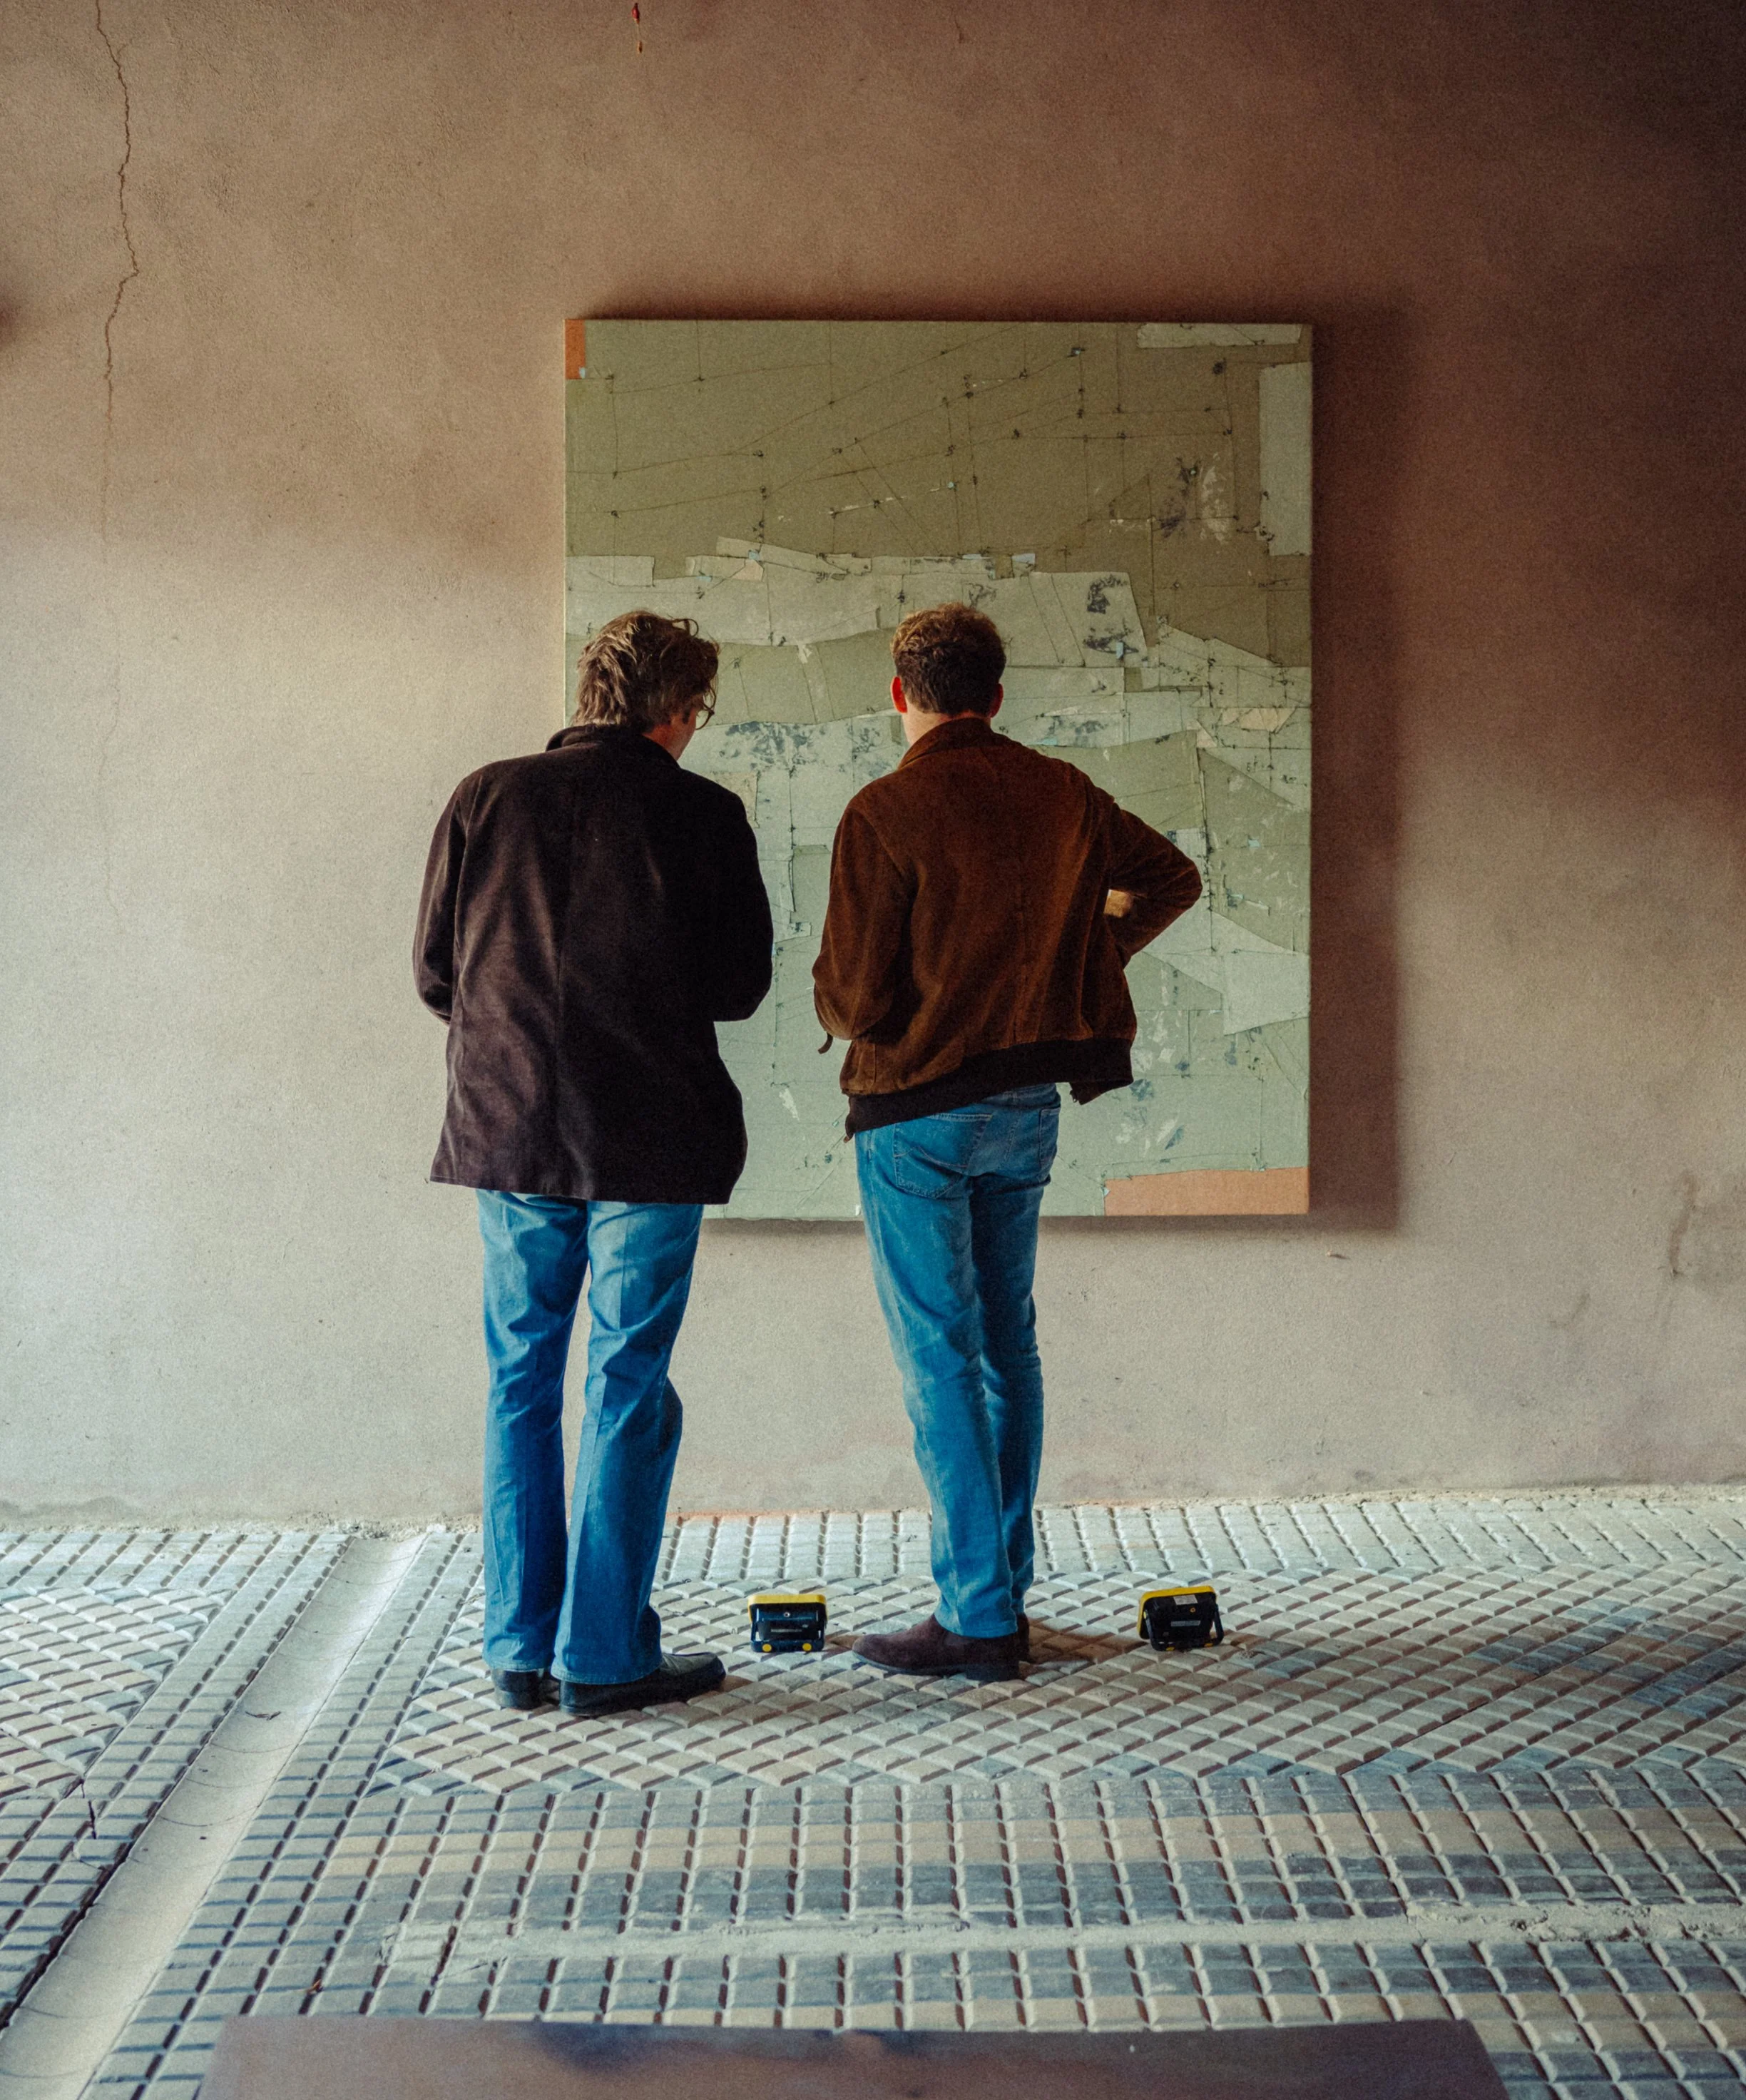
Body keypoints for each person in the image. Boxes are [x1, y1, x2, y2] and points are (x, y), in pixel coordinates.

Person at [812, 603, 1203, 1684]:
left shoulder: (884, 811)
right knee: (1006, 1347)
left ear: (902, 695)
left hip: (915, 1117)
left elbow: (850, 1002)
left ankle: (978, 1615)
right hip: (1027, 1104)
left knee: (939, 1352)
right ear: (996, 692)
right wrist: (1092, 957)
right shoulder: (1063, 794)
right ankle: (1002, 1592)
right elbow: (1173, 877)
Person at [414, 611, 772, 1716]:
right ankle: (605, 1656)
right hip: (650, 1136)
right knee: (625, 1384)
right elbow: (738, 987)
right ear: (679, 708)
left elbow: (437, 973)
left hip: (511, 1124)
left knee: (521, 1379)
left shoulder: (486, 796)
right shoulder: (704, 813)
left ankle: (519, 1648)